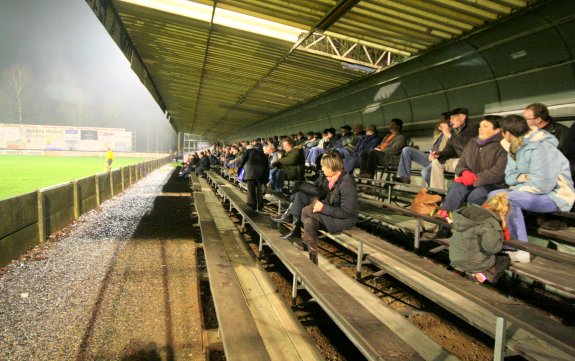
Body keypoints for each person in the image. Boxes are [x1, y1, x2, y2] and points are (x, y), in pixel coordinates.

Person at [488, 115, 575, 262]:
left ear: (507, 133)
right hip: (532, 193)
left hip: (556, 195)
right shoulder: (513, 149)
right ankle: (506, 243)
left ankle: (521, 250)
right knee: (493, 194)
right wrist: (525, 178)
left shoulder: (542, 147)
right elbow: (509, 177)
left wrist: (519, 184)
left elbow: (543, 185)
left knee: (506, 198)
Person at [435, 115, 507, 239]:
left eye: (485, 126)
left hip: (492, 184)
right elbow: (462, 164)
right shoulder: (473, 143)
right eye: (480, 126)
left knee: (476, 196)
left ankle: (470, 232)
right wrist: (464, 172)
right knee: (455, 188)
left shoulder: (502, 146)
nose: (481, 129)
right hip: (471, 180)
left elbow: (499, 171)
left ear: (496, 130)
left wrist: (475, 178)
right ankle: (445, 225)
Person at [301, 151, 359, 265]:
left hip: (346, 220)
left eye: (323, 166)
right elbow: (329, 200)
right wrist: (321, 204)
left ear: (332, 166)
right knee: (308, 222)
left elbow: (346, 212)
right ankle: (313, 257)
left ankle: (307, 242)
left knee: (305, 211)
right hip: (335, 215)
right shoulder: (333, 180)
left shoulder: (346, 183)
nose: (322, 169)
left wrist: (322, 208)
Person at [449, 192, 511, 283]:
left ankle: (462, 272)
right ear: (503, 212)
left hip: (454, 258)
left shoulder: (467, 213)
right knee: (504, 259)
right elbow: (493, 248)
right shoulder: (490, 222)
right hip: (474, 264)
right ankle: (479, 277)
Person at [394, 112, 451, 185]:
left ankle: (434, 192)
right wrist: (440, 124)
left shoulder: (450, 134)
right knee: (406, 150)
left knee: (425, 172)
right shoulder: (440, 134)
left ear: (448, 121)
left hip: (440, 160)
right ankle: (404, 177)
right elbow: (436, 130)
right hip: (430, 157)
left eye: (442, 120)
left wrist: (437, 155)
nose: (439, 122)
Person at [429, 108, 479, 190]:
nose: (451, 121)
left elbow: (467, 148)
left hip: (471, 162)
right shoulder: (455, 132)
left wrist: (449, 135)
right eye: (450, 118)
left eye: (453, 118)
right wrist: (438, 154)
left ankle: (457, 192)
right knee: (436, 162)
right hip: (460, 162)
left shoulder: (473, 128)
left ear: (462, 117)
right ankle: (437, 193)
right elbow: (449, 150)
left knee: (458, 162)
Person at [240, 144, 270, 210]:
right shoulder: (264, 155)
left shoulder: (249, 151)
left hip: (250, 173)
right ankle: (259, 205)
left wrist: (241, 168)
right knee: (259, 190)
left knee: (251, 190)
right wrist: (266, 180)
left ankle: (251, 206)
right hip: (261, 175)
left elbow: (243, 160)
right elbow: (267, 168)